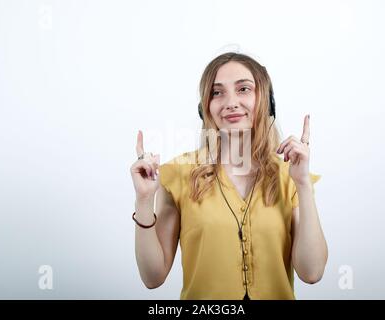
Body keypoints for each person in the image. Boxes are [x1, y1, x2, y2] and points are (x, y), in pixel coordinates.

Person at [130, 52, 328, 300]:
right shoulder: (179, 174)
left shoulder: (290, 175)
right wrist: (144, 201)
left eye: (244, 89)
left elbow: (312, 272)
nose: (231, 102)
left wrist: (303, 184)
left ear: (266, 101)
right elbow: (152, 277)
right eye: (217, 92)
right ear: (206, 108)